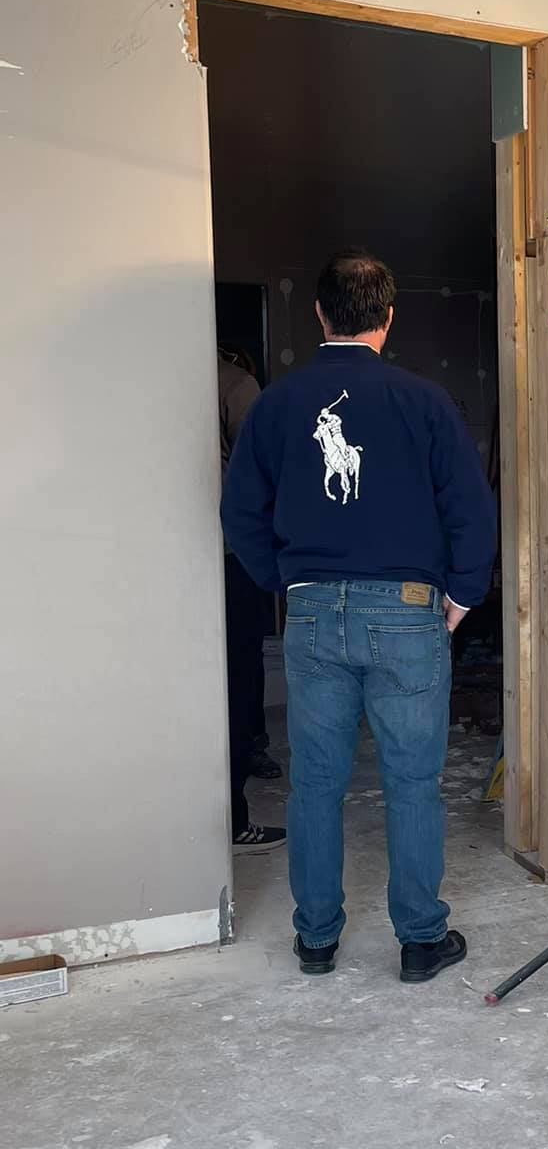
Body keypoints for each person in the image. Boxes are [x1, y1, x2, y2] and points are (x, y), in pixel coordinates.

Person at [221, 251, 497, 983]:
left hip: (312, 609)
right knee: (413, 782)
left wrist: (285, 581)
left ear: (319, 315)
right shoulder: (426, 401)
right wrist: (462, 597)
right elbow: (471, 511)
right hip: (407, 613)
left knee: (315, 785)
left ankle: (315, 941)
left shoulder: (278, 403)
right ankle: (418, 942)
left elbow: (238, 511)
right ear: (389, 317)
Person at [218, 350, 284, 853]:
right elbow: (260, 478)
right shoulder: (237, 384)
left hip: (175, 562)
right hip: (228, 558)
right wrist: (269, 569)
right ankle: (235, 821)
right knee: (240, 675)